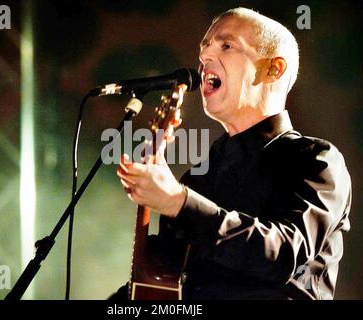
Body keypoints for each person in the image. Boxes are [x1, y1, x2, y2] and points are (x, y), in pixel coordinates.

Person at [115, 7, 351, 300]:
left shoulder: (317, 160)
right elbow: (158, 285)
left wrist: (179, 202)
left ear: (274, 69)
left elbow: (283, 254)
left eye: (226, 45)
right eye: (203, 51)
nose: (203, 58)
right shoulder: (199, 179)